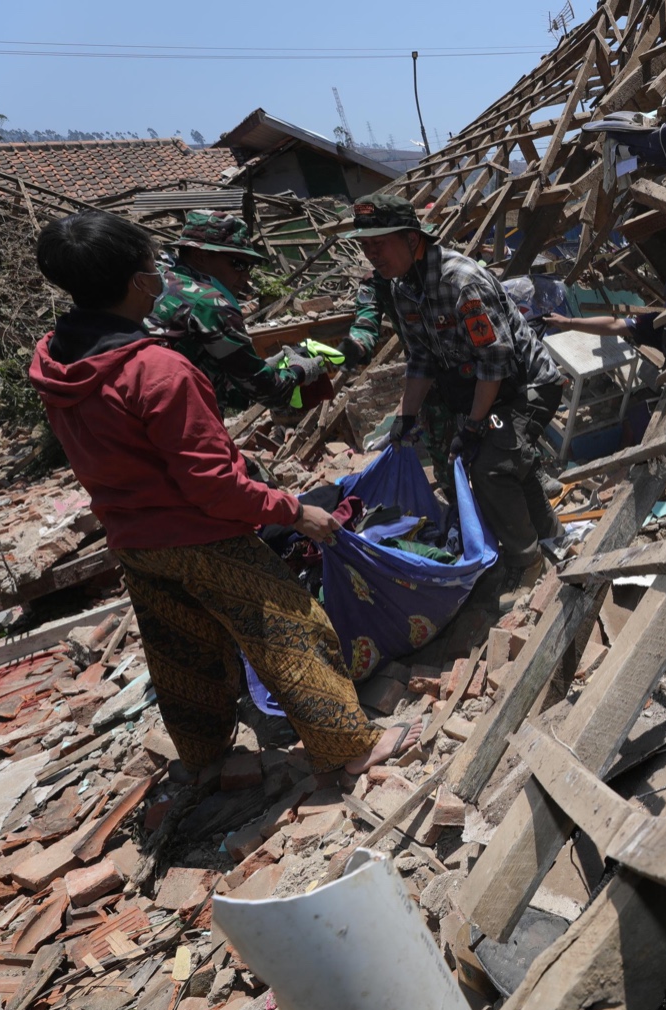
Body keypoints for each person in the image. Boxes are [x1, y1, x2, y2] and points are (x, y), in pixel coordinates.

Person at [30, 210, 419, 777]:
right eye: (151, 266)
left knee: (184, 654)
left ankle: (209, 762)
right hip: (200, 534)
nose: (160, 276)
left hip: (131, 537)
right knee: (293, 629)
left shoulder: (55, 360)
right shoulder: (157, 370)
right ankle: (349, 749)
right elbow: (211, 485)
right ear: (139, 282)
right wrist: (296, 512)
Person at [339, 193, 566, 607]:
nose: (372, 255)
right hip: (482, 385)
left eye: (379, 244)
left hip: (526, 384)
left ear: (411, 239)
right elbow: (422, 358)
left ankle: (527, 560)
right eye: (364, 246)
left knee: (492, 465)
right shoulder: (404, 289)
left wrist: (476, 426)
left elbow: (496, 361)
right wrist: (405, 418)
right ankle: (552, 535)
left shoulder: (461, 282)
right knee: (507, 458)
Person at [145, 211, 324, 411]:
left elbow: (222, 388)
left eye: (249, 267)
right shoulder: (209, 303)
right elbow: (272, 394)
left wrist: (258, 368)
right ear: (200, 256)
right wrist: (299, 370)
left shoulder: (156, 282)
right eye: (238, 264)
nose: (246, 277)